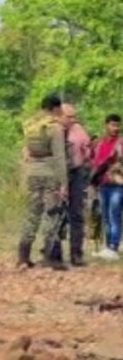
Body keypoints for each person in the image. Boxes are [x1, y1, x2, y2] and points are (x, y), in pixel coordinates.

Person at [17, 96, 68, 269]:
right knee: (51, 214)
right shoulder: (54, 128)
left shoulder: (31, 126)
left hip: (33, 173)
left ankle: (23, 256)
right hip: (50, 173)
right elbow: (59, 157)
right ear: (55, 108)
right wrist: (64, 183)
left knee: (32, 214)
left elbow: (25, 151)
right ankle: (50, 257)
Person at [91, 113, 123, 261]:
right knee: (105, 216)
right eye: (112, 125)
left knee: (114, 214)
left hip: (117, 184)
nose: (115, 128)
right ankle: (108, 245)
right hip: (102, 184)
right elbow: (95, 162)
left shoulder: (121, 143)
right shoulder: (100, 143)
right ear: (106, 125)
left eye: (117, 125)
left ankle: (114, 246)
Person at [61, 105, 89, 266]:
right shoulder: (53, 130)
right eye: (69, 116)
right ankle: (53, 253)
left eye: (74, 116)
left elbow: (87, 152)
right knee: (56, 214)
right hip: (58, 174)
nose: (73, 120)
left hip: (76, 173)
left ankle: (76, 253)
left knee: (76, 214)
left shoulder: (79, 131)